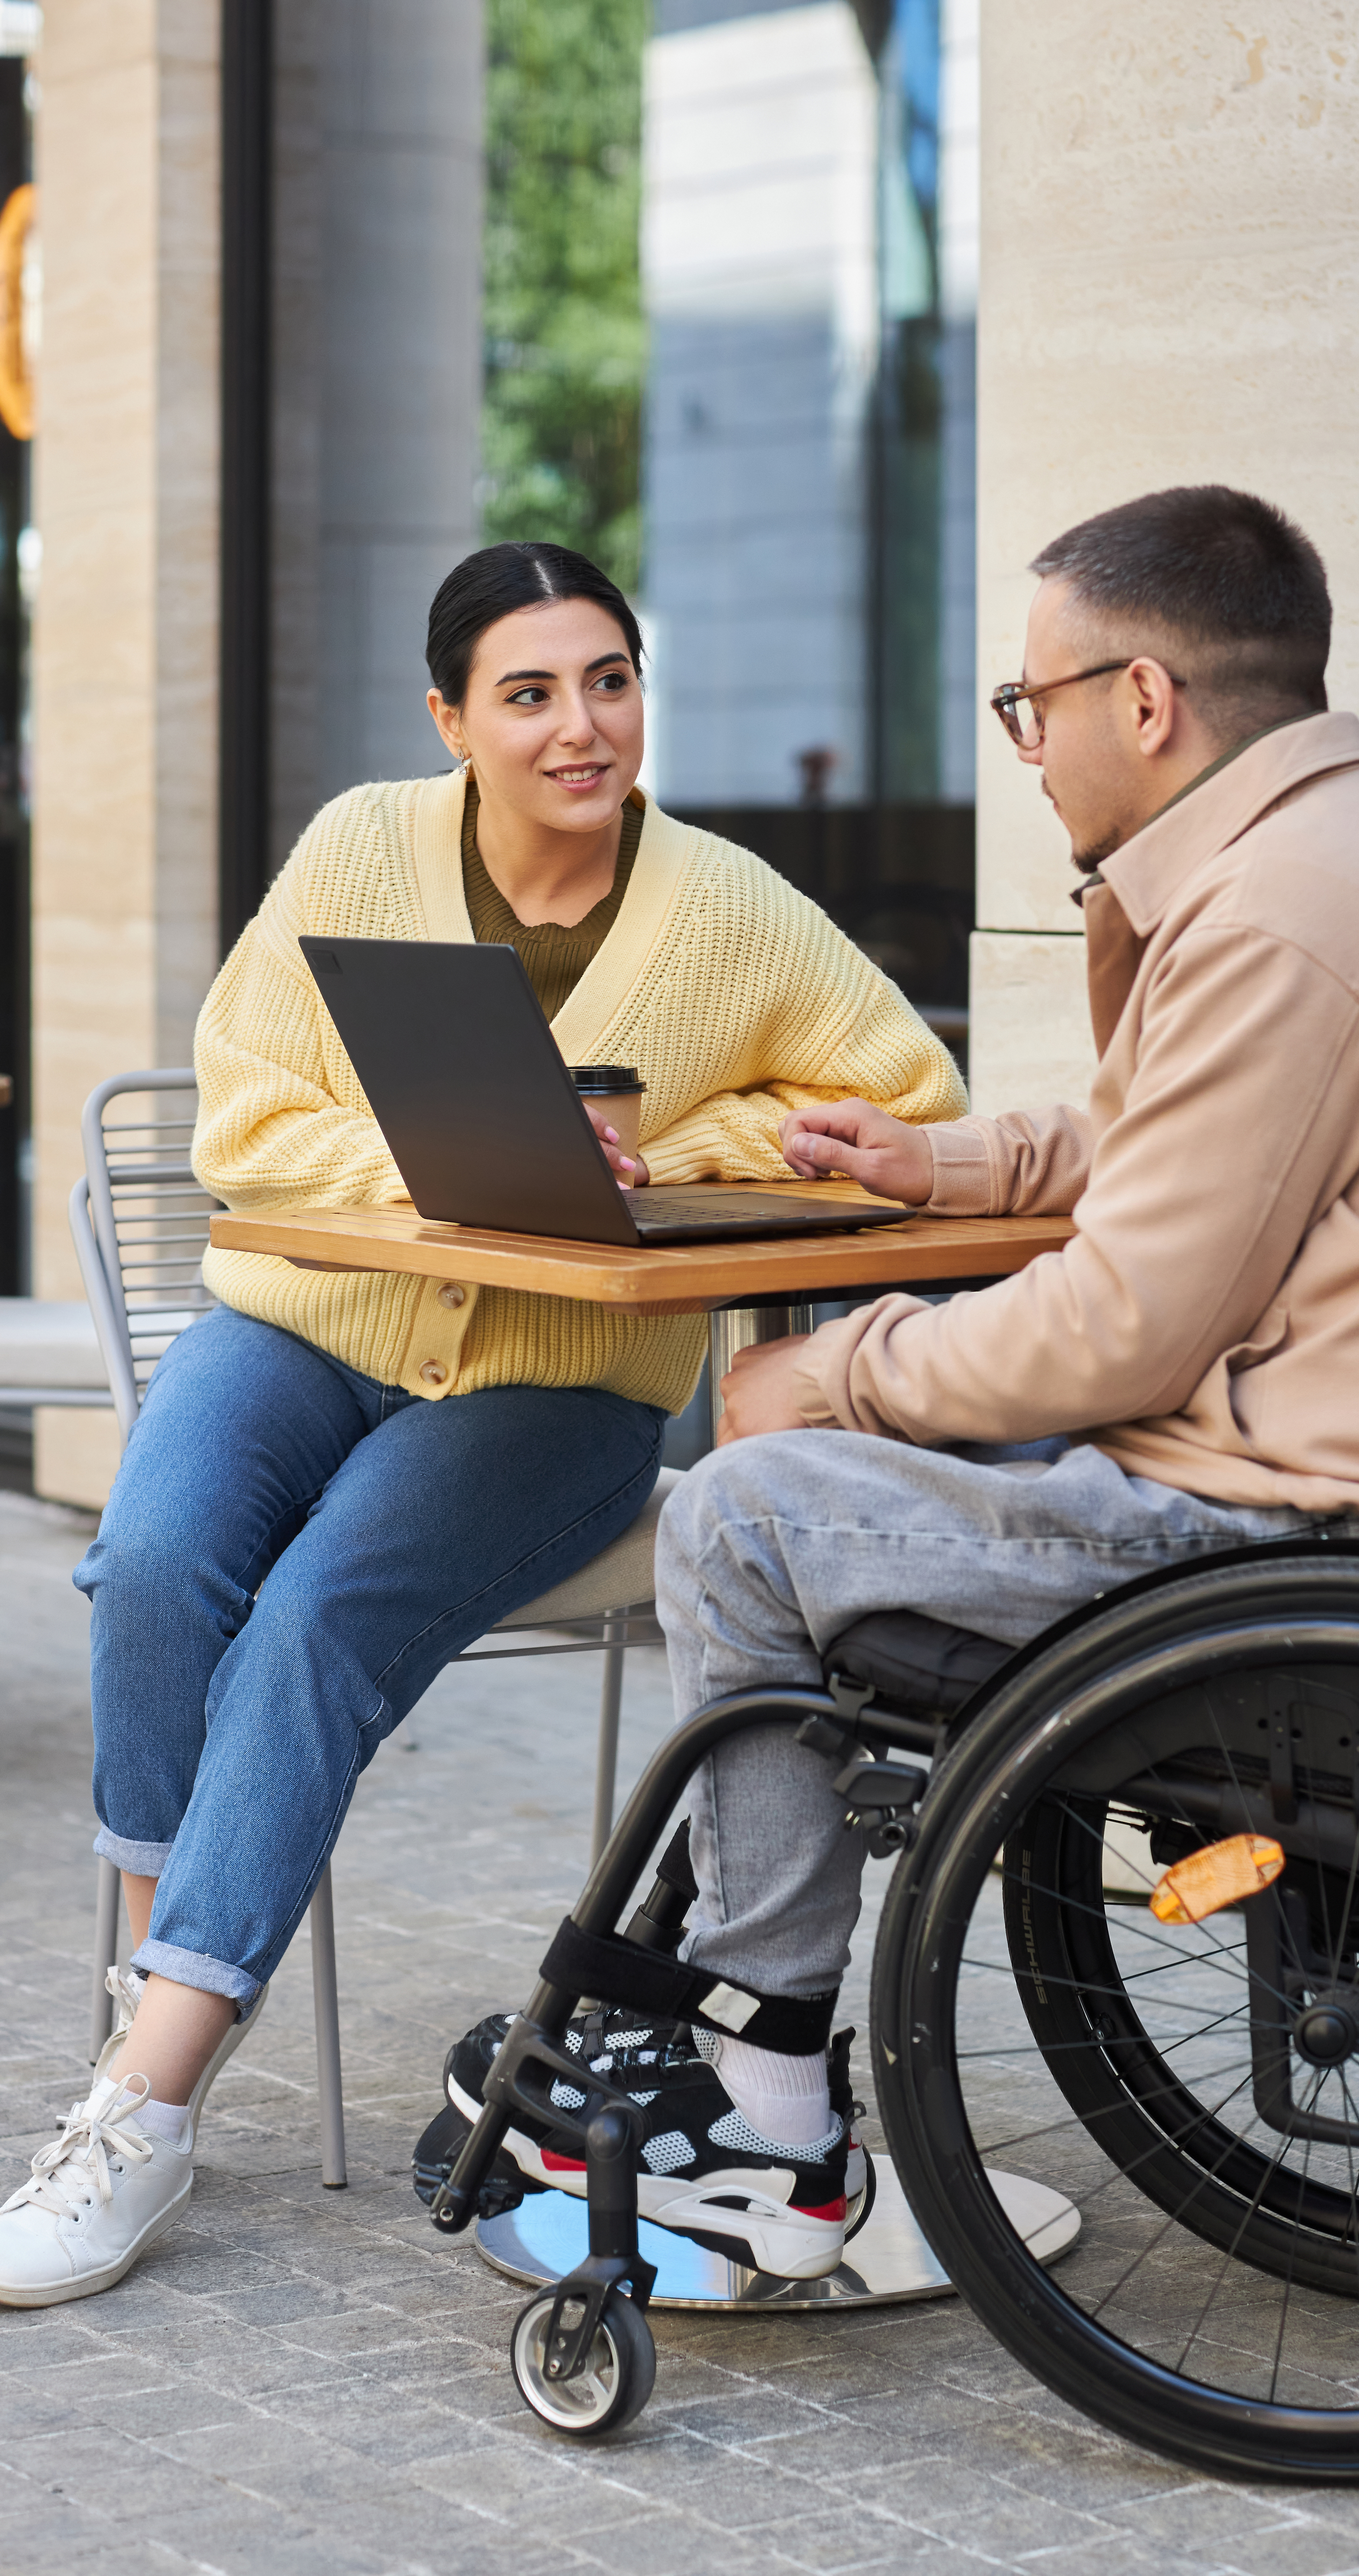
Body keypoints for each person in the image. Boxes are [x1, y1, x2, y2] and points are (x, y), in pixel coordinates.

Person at [432, 484, 1359, 2285]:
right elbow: (1166, 1141)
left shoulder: (1278, 915)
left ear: (1146, 700)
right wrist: (935, 1172)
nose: (1023, 748)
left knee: (742, 1508)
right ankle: (725, 2018)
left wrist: (835, 1374)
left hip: (1317, 1528)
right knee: (869, 1438)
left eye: (1032, 707)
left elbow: (1125, 1330)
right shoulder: (1350, 851)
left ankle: (768, 2101)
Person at [0, 540, 964, 2309]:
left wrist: (670, 1151)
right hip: (305, 1329)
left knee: (313, 1625)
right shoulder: (364, 850)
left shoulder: (731, 907)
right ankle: (169, 1991)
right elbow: (246, 1110)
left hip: (555, 1388)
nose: (580, 727)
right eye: (528, 693)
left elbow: (906, 1092)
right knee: (148, 1565)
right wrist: (447, 1164)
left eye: (609, 679)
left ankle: (140, 2108)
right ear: (451, 718)